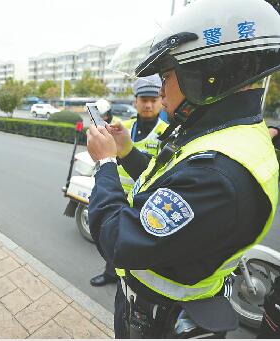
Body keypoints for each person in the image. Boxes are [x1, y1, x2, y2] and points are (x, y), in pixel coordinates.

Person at [86, 0, 280, 337]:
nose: (160, 93)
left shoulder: (218, 173)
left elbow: (118, 240)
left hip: (164, 320)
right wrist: (126, 152)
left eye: (165, 78)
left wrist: (104, 162)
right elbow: (169, 185)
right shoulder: (227, 135)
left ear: (204, 73)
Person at [89, 76, 169, 288]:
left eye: (153, 99)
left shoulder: (167, 134)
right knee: (112, 242)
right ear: (135, 101)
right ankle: (110, 274)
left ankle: (130, 282)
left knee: (134, 247)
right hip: (117, 194)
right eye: (143, 99)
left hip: (145, 201)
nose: (148, 104)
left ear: (161, 101)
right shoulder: (121, 127)